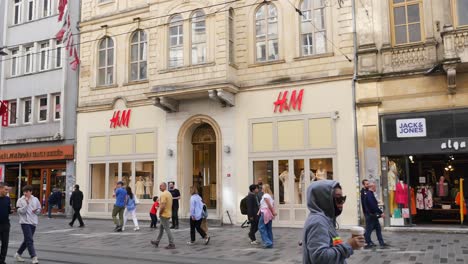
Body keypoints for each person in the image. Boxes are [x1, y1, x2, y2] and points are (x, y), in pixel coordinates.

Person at [303, 180, 365, 264]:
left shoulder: (326, 219)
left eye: (343, 199)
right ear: (324, 200)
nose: (342, 203)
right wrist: (349, 246)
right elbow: (320, 258)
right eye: (338, 199)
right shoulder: (318, 222)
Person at [15, 185, 41, 264]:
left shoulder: (35, 199)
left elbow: (39, 209)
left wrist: (36, 210)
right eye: (24, 192)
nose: (25, 193)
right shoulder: (20, 200)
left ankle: (18, 254)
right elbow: (20, 211)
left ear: (31, 192)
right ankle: (34, 257)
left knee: (27, 240)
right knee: (29, 240)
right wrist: (26, 204)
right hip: (24, 222)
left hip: (33, 222)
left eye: (27, 192)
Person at [364, 182, 389, 249]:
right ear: (372, 187)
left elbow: (374, 205)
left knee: (378, 229)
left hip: (373, 216)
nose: (376, 188)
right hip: (371, 216)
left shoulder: (371, 194)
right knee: (368, 231)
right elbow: (373, 206)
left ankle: (381, 243)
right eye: (375, 187)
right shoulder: (369, 195)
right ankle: (367, 243)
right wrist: (381, 212)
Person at [151, 182, 175, 249]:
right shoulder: (169, 193)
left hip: (164, 214)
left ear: (164, 186)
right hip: (168, 213)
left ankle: (172, 243)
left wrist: (160, 213)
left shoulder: (163, 194)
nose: (159, 187)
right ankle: (157, 241)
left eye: (161, 186)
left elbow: (163, 205)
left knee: (167, 229)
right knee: (161, 229)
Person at [258, 184, 276, 248]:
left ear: (264, 188)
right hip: (268, 213)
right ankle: (270, 241)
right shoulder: (270, 196)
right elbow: (270, 205)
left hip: (265, 213)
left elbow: (268, 205)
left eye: (262, 188)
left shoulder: (265, 196)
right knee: (268, 228)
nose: (261, 189)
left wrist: (273, 212)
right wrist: (273, 212)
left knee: (261, 227)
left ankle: (267, 242)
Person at [0, 183, 11, 264]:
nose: (7, 191)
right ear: (0, 189)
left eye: (8, 189)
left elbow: (8, 210)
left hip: (5, 224)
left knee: (5, 244)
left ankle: (2, 261)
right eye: (5, 189)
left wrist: (11, 211)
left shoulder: (7, 199)